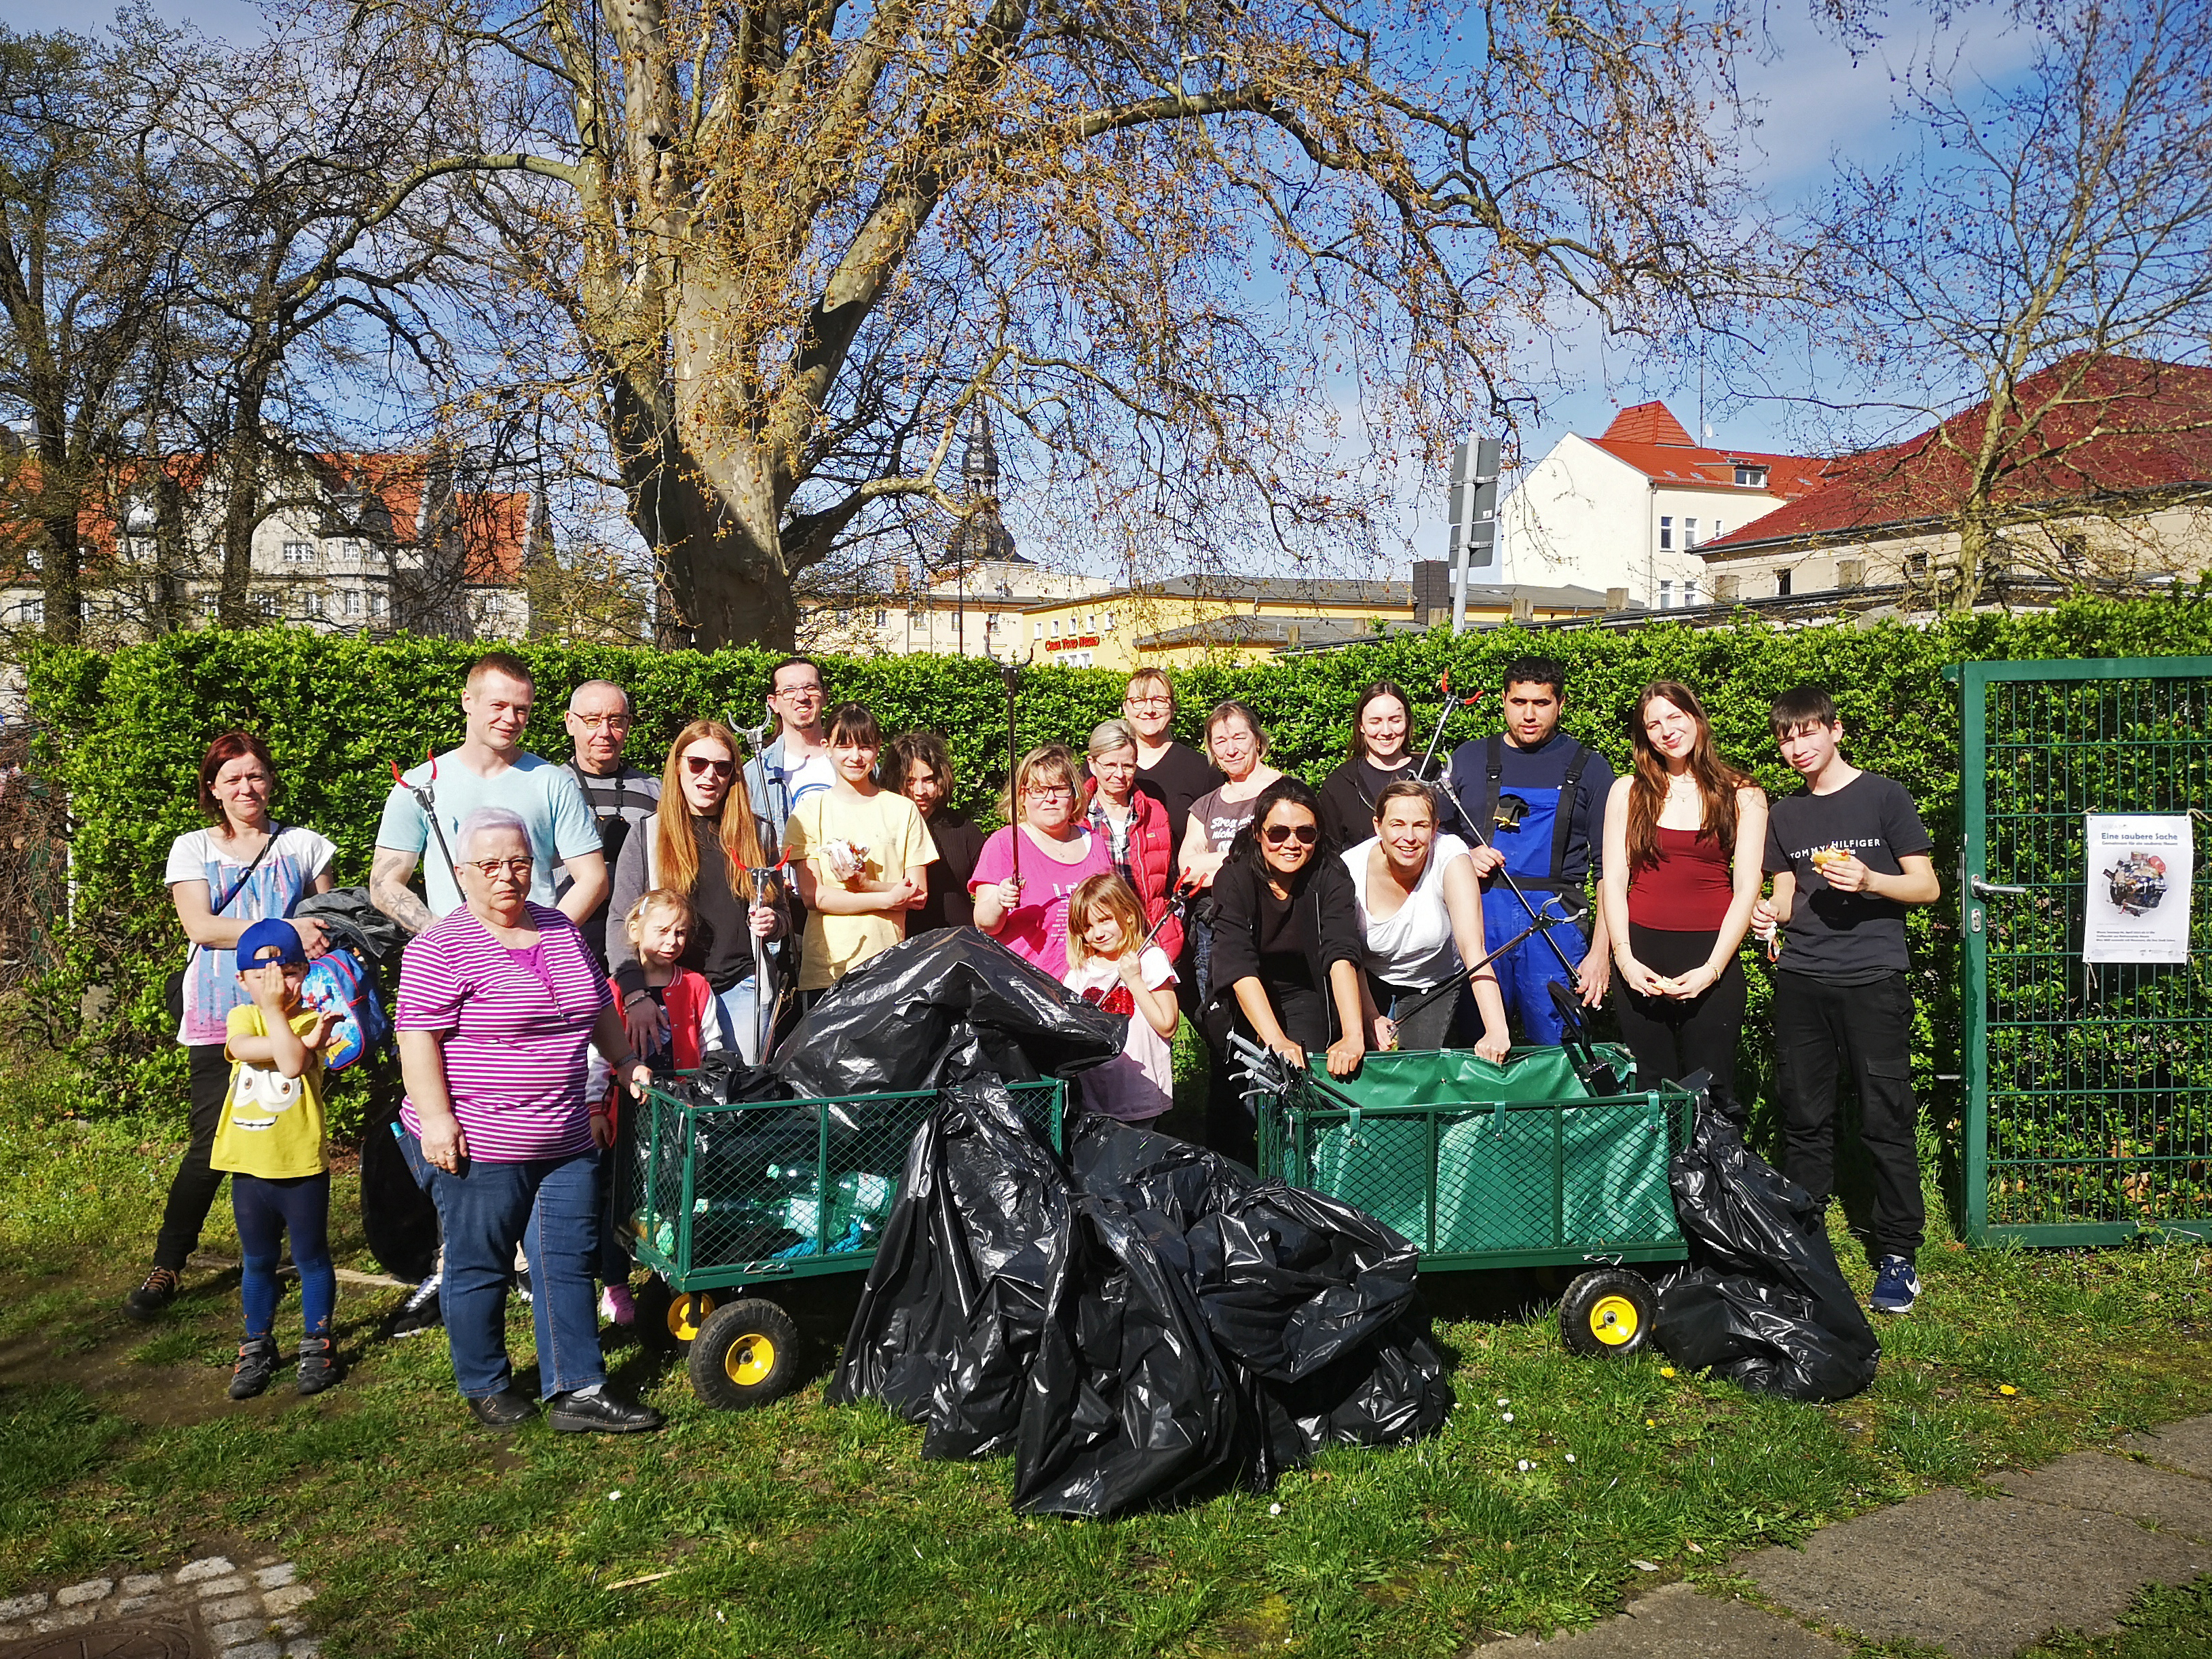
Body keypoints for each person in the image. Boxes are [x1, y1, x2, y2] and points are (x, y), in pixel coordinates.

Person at [393, 806, 662, 1433]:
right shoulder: (441, 946)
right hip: (481, 1138)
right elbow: (417, 1040)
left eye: (518, 862)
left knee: (565, 1259)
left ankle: (579, 1388)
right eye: (488, 865)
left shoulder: (561, 931)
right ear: (462, 873)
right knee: (479, 1262)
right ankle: (484, 1382)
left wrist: (624, 1061)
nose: (506, 876)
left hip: (565, 1133)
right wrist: (436, 1120)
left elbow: (597, 1007)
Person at [131, 732, 337, 1321]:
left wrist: (307, 940)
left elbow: (323, 929)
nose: (246, 787)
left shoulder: (305, 847)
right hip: (218, 1013)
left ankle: (302, 1252)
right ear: (213, 789)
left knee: (294, 1134)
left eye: (256, 775)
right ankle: (168, 1262)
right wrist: (286, 928)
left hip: (295, 1016)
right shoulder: (192, 848)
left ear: (270, 781)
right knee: (210, 1144)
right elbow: (200, 926)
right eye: (232, 778)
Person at [1752, 686, 1941, 1316]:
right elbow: (1784, 892)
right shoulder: (1785, 815)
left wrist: (1869, 880)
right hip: (1802, 979)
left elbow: (1926, 886)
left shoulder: (1883, 796)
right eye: (1786, 737)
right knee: (1803, 1118)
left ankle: (1897, 1254)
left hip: (1872, 979)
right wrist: (1766, 916)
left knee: (1885, 1118)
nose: (1798, 746)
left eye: (1808, 732)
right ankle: (1804, 1248)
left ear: (1836, 731)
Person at [1598, 680, 1767, 1108]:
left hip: (1713, 956)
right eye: (1653, 724)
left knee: (1711, 1094)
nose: (1666, 730)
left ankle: (1715, 1177)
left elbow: (1747, 887)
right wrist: (1624, 959)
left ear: (1695, 719)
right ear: (1644, 736)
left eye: (1674, 717)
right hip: (1640, 957)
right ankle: (1658, 1178)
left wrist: (1712, 970)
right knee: (1649, 1094)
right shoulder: (1628, 791)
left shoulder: (1744, 794)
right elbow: (1614, 880)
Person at [371, 653, 608, 935]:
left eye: (521, 709)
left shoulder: (552, 783)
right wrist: (440, 937)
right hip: (454, 963)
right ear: (467, 701)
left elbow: (593, 878)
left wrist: (546, 940)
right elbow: (384, 883)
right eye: (498, 705)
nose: (510, 719)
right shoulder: (419, 785)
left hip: (533, 964)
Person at [1446, 656, 1615, 1043]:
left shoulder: (1590, 768)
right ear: (1504, 700)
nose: (1529, 714)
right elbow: (1428, 840)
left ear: (1561, 704)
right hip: (1481, 922)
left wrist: (1600, 953)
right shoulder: (1469, 759)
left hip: (1556, 924)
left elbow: (1609, 870)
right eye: (1519, 702)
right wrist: (1464, 855)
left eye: (1541, 703)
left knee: (1560, 1051)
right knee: (1478, 1045)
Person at [586, 889, 728, 1326]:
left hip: (679, 1117)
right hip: (625, 1116)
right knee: (617, 1202)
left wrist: (710, 1092)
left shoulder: (696, 986)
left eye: (681, 932)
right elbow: (595, 1058)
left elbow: (712, 1045)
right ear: (635, 931)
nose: (672, 940)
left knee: (675, 1196)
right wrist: (594, 1109)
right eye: (662, 930)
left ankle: (669, 1278)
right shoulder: (613, 992)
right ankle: (614, 1285)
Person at [214, 918, 341, 1400]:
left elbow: (290, 1063)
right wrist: (275, 1020)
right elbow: (257, 1049)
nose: (276, 985)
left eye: (288, 972)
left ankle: (317, 1340)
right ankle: (256, 1344)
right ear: (241, 980)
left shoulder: (313, 1022)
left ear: (304, 973)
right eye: (262, 976)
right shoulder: (240, 1018)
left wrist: (283, 1020)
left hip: (300, 1165)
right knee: (258, 1259)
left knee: (310, 1257)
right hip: (249, 1167)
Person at [606, 720, 784, 1062]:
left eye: (721, 767)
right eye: (697, 764)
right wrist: (634, 992)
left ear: (733, 774)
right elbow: (621, 922)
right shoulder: (648, 835)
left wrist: (772, 922)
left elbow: (783, 917)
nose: (709, 776)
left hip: (741, 988)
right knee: (672, 1099)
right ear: (678, 766)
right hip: (669, 991)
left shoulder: (758, 834)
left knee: (737, 1102)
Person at [1210, 777, 1366, 1161]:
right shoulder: (1234, 878)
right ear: (1258, 833)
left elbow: (1341, 952)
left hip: (1304, 989)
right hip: (1246, 992)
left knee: (1301, 1096)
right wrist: (1275, 1040)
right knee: (1235, 1112)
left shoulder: (1331, 874)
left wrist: (1352, 1034)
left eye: (1305, 833)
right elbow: (1237, 964)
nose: (1291, 843)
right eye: (1278, 832)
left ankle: (1300, 1179)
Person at [1342, 780, 1513, 1059]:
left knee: (1418, 1066)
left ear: (1434, 828)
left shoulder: (1451, 856)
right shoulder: (1350, 867)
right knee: (1366, 1060)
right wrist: (1370, 1015)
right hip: (1369, 975)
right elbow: (1349, 954)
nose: (1409, 837)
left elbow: (1474, 950)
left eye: (1420, 825)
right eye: (1397, 824)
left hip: (1433, 978)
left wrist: (1496, 1031)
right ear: (1378, 826)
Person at [784, 703, 933, 996]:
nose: (855, 757)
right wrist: (889, 898)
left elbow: (917, 894)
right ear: (827, 747)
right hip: (827, 971)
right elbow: (815, 896)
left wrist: (866, 885)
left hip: (890, 969)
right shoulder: (809, 813)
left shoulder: (902, 810)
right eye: (844, 746)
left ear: (877, 748)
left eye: (865, 746)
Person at [972, 744, 1115, 976]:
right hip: (1026, 985)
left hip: (1089, 984)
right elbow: (984, 924)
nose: (1050, 798)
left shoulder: (1095, 842)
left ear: (1074, 794)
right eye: (1038, 790)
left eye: (1059, 789)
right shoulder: (1005, 843)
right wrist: (1000, 900)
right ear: (1022, 796)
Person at [556, 679, 660, 970]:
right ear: (570, 723)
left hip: (638, 951)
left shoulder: (654, 792)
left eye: (615, 721)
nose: (604, 733)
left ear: (628, 725)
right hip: (565, 945)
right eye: (592, 721)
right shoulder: (549, 787)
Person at [1062, 874, 1179, 1130]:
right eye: (1088, 926)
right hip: (1094, 1101)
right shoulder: (1078, 976)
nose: (1098, 933)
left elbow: (1168, 1025)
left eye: (1105, 920)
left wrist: (1135, 981)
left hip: (1139, 1093)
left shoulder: (1149, 959)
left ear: (1127, 914)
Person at [1083, 719, 1184, 961]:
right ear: (1092, 764)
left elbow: (1166, 879)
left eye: (1128, 766)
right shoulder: (1076, 814)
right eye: (1109, 765)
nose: (1119, 774)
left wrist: (1174, 919)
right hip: (1095, 944)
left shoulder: (1154, 812)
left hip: (1150, 940)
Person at [883, 731, 986, 934]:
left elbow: (991, 886)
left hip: (959, 946)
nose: (920, 790)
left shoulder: (963, 828)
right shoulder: (883, 828)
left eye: (928, 780)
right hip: (903, 946)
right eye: (910, 781)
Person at [741, 656, 836, 857]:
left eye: (810, 687)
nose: (801, 697)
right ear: (773, 703)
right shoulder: (754, 775)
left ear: (825, 696)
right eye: (789, 690)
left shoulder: (856, 764)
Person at [1122, 668, 1222, 856]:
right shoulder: (1102, 768)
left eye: (1159, 701)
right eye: (1139, 701)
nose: (1149, 710)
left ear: (1173, 708)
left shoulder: (1201, 770)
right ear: (1125, 709)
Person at [1318, 679, 1429, 850]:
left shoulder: (1430, 773)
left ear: (1407, 721)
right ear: (1361, 725)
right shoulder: (1339, 785)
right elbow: (1327, 854)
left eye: (1395, 720)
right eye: (1375, 722)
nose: (1386, 732)